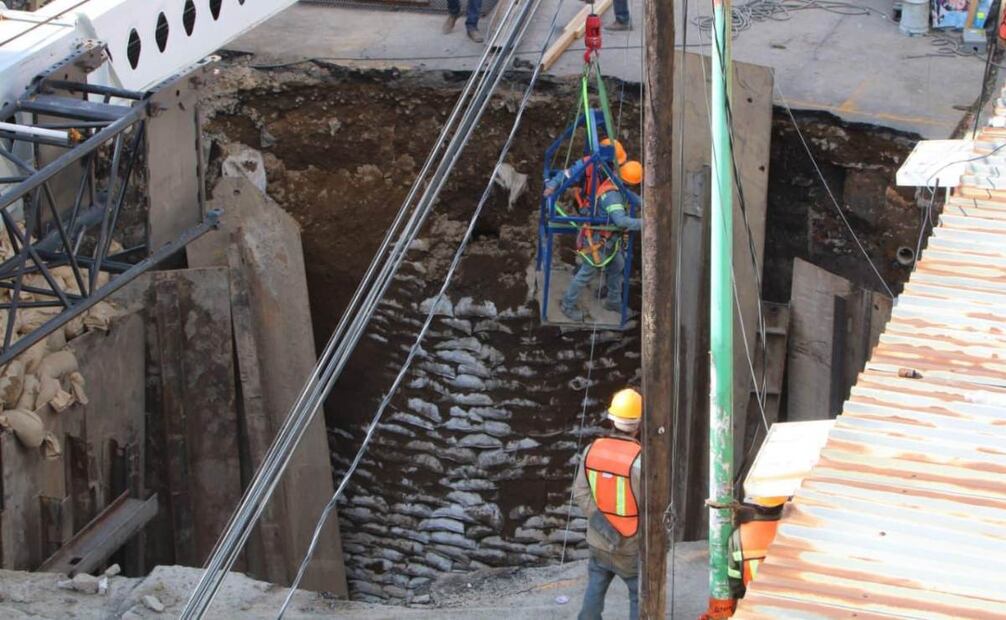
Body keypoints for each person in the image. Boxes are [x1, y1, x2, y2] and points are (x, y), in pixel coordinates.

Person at [544, 157, 643, 321]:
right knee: (585, 274)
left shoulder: (616, 183)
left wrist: (645, 204)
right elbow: (621, 221)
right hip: (597, 242)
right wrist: (646, 223)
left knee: (618, 265)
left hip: (607, 241)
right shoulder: (613, 196)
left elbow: (631, 196)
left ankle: (613, 301)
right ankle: (567, 305)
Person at [573, 388, 643, 620]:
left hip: (598, 540)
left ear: (611, 419)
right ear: (638, 424)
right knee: (638, 595)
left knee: (595, 586)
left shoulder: (591, 450)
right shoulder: (641, 459)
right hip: (630, 544)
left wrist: (603, 525)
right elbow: (650, 507)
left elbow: (580, 493)